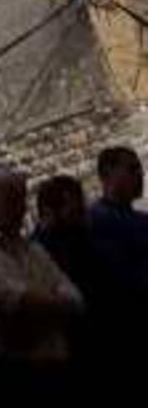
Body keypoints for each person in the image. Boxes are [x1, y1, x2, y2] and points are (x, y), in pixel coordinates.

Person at [0, 164, 83, 395]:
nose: (21, 208)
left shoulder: (31, 248)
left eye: (21, 199)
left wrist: (45, 304)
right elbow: (15, 302)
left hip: (58, 365)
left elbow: (76, 297)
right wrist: (56, 304)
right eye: (11, 200)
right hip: (16, 374)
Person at [86, 147, 148, 386]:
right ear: (108, 174)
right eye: (132, 169)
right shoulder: (98, 221)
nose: (140, 174)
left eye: (139, 168)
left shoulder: (140, 220)